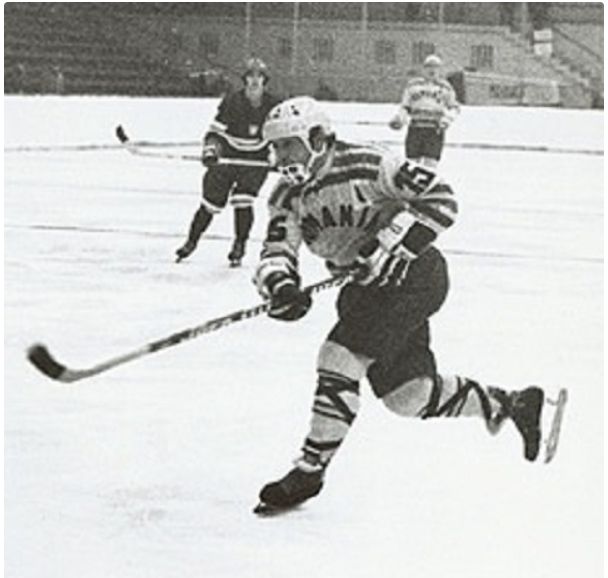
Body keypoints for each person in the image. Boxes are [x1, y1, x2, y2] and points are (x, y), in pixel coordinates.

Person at [251, 96, 565, 514]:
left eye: (288, 145)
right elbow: (276, 249)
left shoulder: (371, 164)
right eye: (276, 147)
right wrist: (281, 286)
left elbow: (442, 199)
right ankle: (513, 404)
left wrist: (388, 247)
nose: (280, 157)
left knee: (338, 357)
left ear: (318, 137)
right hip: (364, 291)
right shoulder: (285, 196)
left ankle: (310, 470)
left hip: (415, 276)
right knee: (408, 396)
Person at [175, 57, 282, 266]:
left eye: (259, 76)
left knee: (243, 200)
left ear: (265, 80)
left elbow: (282, 137)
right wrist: (211, 151)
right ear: (245, 79)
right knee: (210, 204)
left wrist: (278, 158)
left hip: (255, 161)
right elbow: (214, 133)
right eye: (250, 76)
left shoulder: (274, 105)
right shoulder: (232, 101)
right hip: (228, 158)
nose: (254, 81)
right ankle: (191, 241)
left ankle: (239, 245)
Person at [389, 54, 460, 168]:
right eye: (429, 67)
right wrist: (400, 118)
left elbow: (454, 107)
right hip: (416, 128)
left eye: (435, 67)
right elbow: (405, 106)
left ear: (440, 70)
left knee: (430, 165)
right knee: (411, 164)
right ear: (423, 69)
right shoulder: (413, 85)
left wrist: (447, 119)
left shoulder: (445, 87)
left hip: (434, 130)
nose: (432, 70)